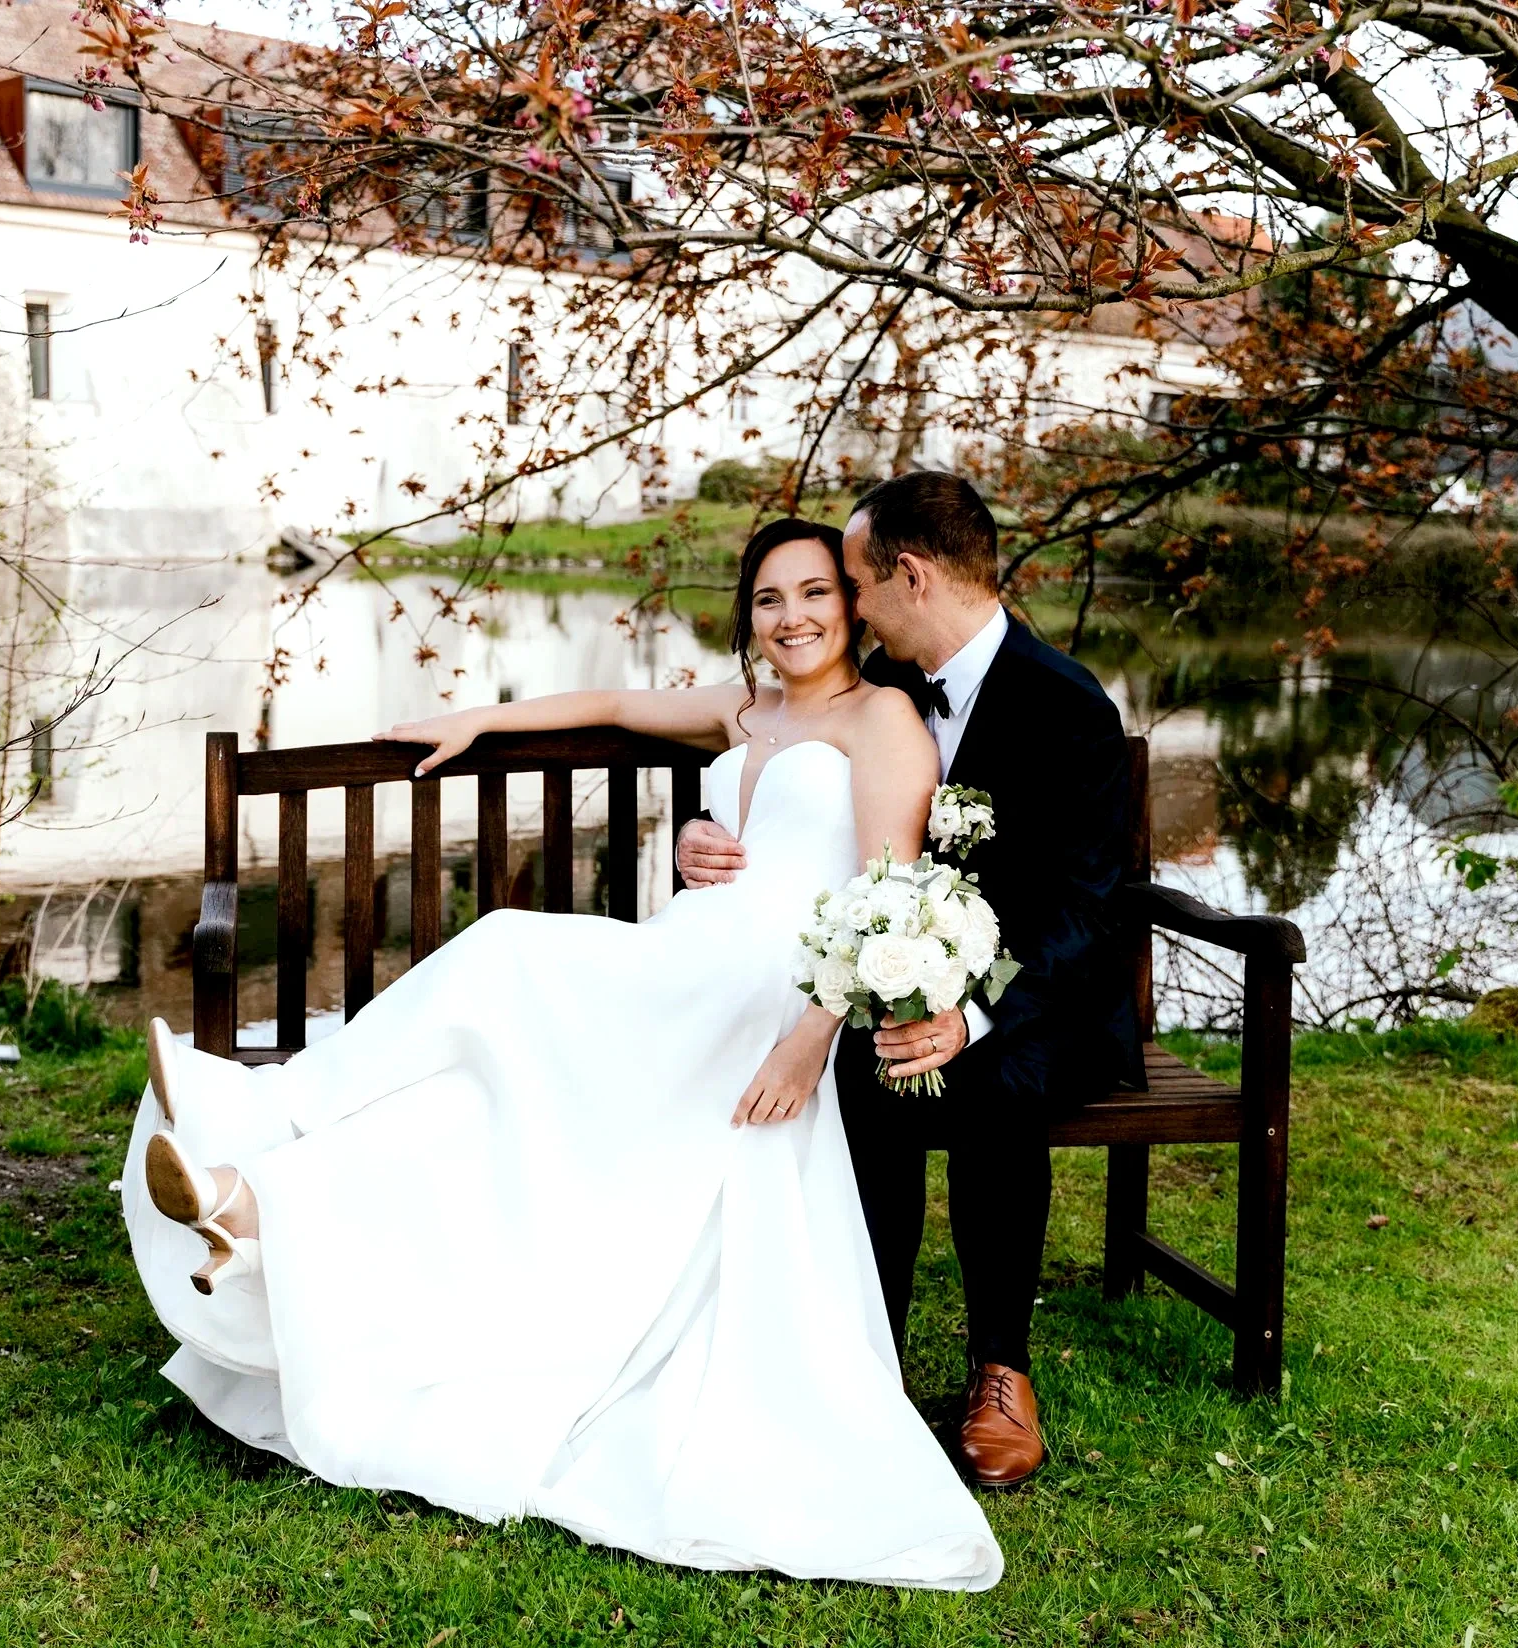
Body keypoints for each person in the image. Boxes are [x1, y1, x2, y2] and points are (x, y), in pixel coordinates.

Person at [122, 519, 1004, 1588]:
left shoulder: (882, 718)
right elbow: (614, 705)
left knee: (504, 954)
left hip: (765, 992)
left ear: (854, 605)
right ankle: (248, 1201)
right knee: (468, 1101)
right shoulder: (746, 710)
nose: (793, 618)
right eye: (768, 599)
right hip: (689, 957)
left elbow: (884, 899)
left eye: (815, 593)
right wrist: (476, 720)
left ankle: (272, 1120)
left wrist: (808, 1042)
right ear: (747, 614)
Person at [677, 472, 1139, 1490]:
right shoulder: (885, 685)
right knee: (865, 1067)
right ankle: (865, 1350)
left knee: (993, 1082)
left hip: (1040, 995)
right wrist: (701, 831)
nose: (841, 600)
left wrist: (970, 1015)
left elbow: (1085, 914)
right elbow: (780, 770)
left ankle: (1001, 1369)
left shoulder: (1064, 706)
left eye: (850, 578)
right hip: (895, 973)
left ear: (911, 576)